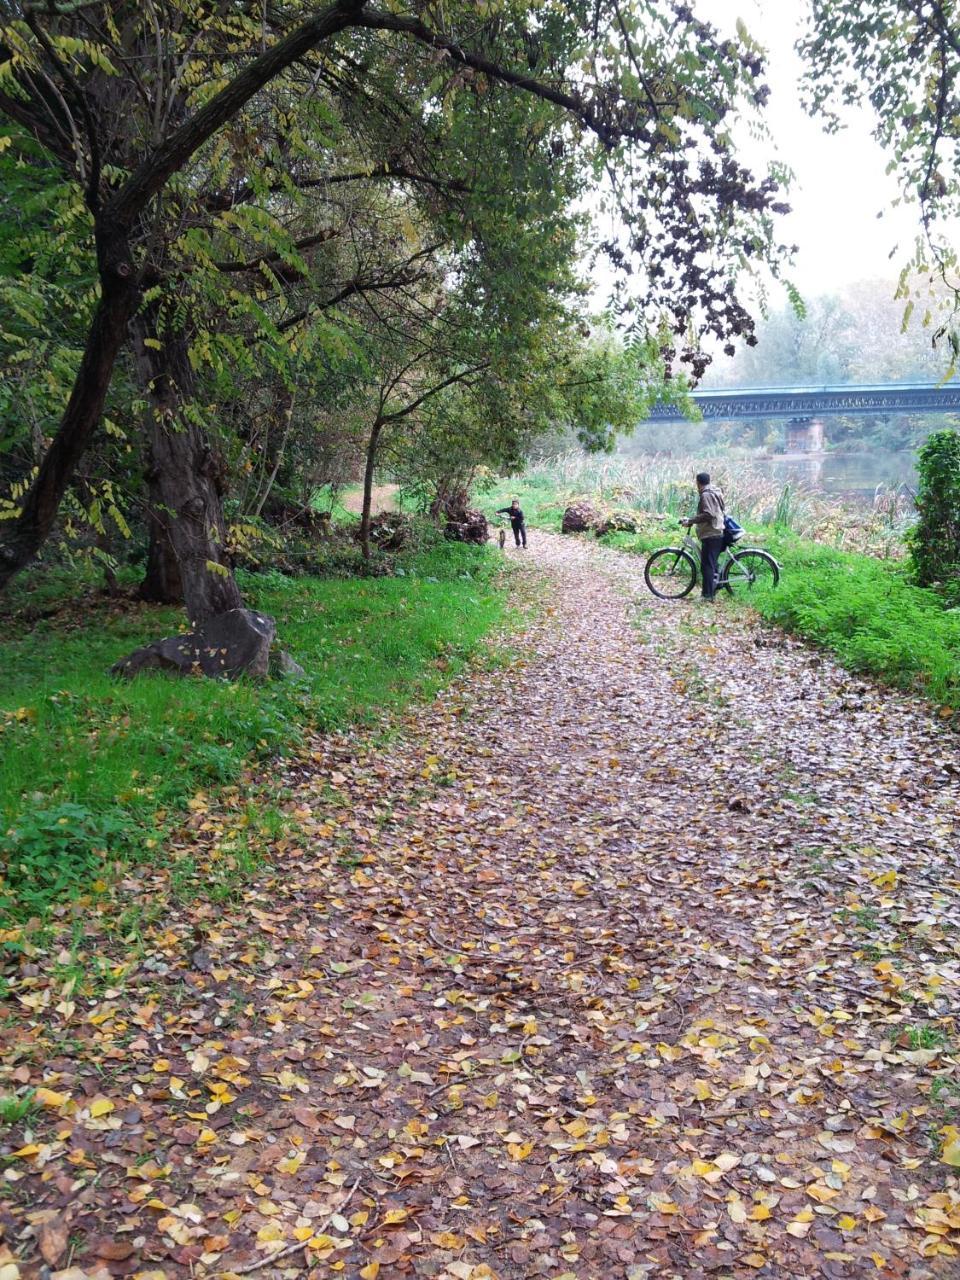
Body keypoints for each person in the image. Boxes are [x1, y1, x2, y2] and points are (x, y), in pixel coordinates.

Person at [682, 471, 725, 600]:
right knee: (711, 563)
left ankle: (707, 595)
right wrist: (692, 521)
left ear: (698, 483)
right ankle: (716, 586)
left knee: (707, 565)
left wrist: (691, 520)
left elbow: (708, 514)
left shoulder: (706, 495)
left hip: (711, 533)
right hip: (717, 530)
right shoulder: (715, 491)